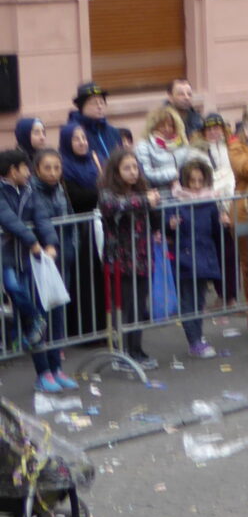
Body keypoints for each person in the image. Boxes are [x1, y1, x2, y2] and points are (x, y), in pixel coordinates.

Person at [95, 146, 161, 369]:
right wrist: (145, 200)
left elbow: (154, 215)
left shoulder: (142, 190)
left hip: (142, 257)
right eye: (127, 168)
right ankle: (122, 352)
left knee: (139, 307)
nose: (133, 172)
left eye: (135, 167)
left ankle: (136, 349)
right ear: (116, 171)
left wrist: (155, 204)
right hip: (120, 260)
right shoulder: (107, 192)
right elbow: (111, 206)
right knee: (124, 307)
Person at [164, 149, 230, 359]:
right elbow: (165, 227)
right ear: (185, 181)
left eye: (200, 181)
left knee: (198, 300)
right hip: (184, 256)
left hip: (203, 255)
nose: (196, 185)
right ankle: (194, 340)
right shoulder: (176, 201)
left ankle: (197, 338)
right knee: (187, 300)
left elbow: (216, 231)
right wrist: (170, 225)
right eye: (192, 181)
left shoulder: (209, 202)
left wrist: (223, 223)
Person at [0, 147, 57, 382]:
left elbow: (41, 217)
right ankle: (34, 320)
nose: (29, 172)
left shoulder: (29, 191)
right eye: (25, 168)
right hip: (5, 256)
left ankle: (45, 373)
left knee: (31, 319)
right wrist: (33, 242)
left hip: (24, 259)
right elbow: (8, 219)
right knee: (13, 287)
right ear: (13, 170)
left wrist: (50, 242)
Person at [27, 148, 78, 388]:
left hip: (62, 259)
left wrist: (72, 248)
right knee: (41, 318)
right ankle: (43, 372)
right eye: (47, 168)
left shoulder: (60, 189)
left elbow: (71, 220)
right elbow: (39, 223)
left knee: (58, 316)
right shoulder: (31, 192)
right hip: (40, 261)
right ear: (37, 169)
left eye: (57, 167)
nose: (53, 172)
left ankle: (57, 368)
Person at [134, 102, 189, 188]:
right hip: (158, 190)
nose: (167, 129)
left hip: (184, 189)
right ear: (153, 126)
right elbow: (146, 173)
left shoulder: (181, 143)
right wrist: (174, 174)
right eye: (162, 126)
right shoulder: (144, 145)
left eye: (171, 126)